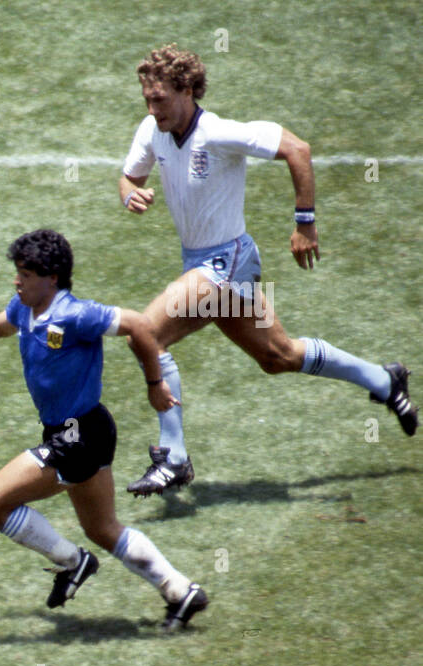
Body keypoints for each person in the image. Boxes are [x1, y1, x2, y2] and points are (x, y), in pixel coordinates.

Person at [119, 43, 416, 496]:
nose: (151, 106)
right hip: (204, 267)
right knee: (278, 357)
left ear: (186, 90)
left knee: (146, 333)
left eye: (159, 98)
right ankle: (383, 378)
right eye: (147, 98)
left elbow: (298, 149)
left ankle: (174, 457)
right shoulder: (152, 130)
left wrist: (305, 223)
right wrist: (128, 193)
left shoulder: (218, 133)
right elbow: (129, 176)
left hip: (227, 262)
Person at [0, 228, 207, 628]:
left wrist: (154, 383)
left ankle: (72, 562)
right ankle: (180, 591)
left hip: (79, 434)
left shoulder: (76, 314)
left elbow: (140, 325)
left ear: (52, 278)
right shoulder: (25, 308)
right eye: (17, 271)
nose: (16, 280)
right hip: (79, 430)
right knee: (103, 529)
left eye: (25, 273)